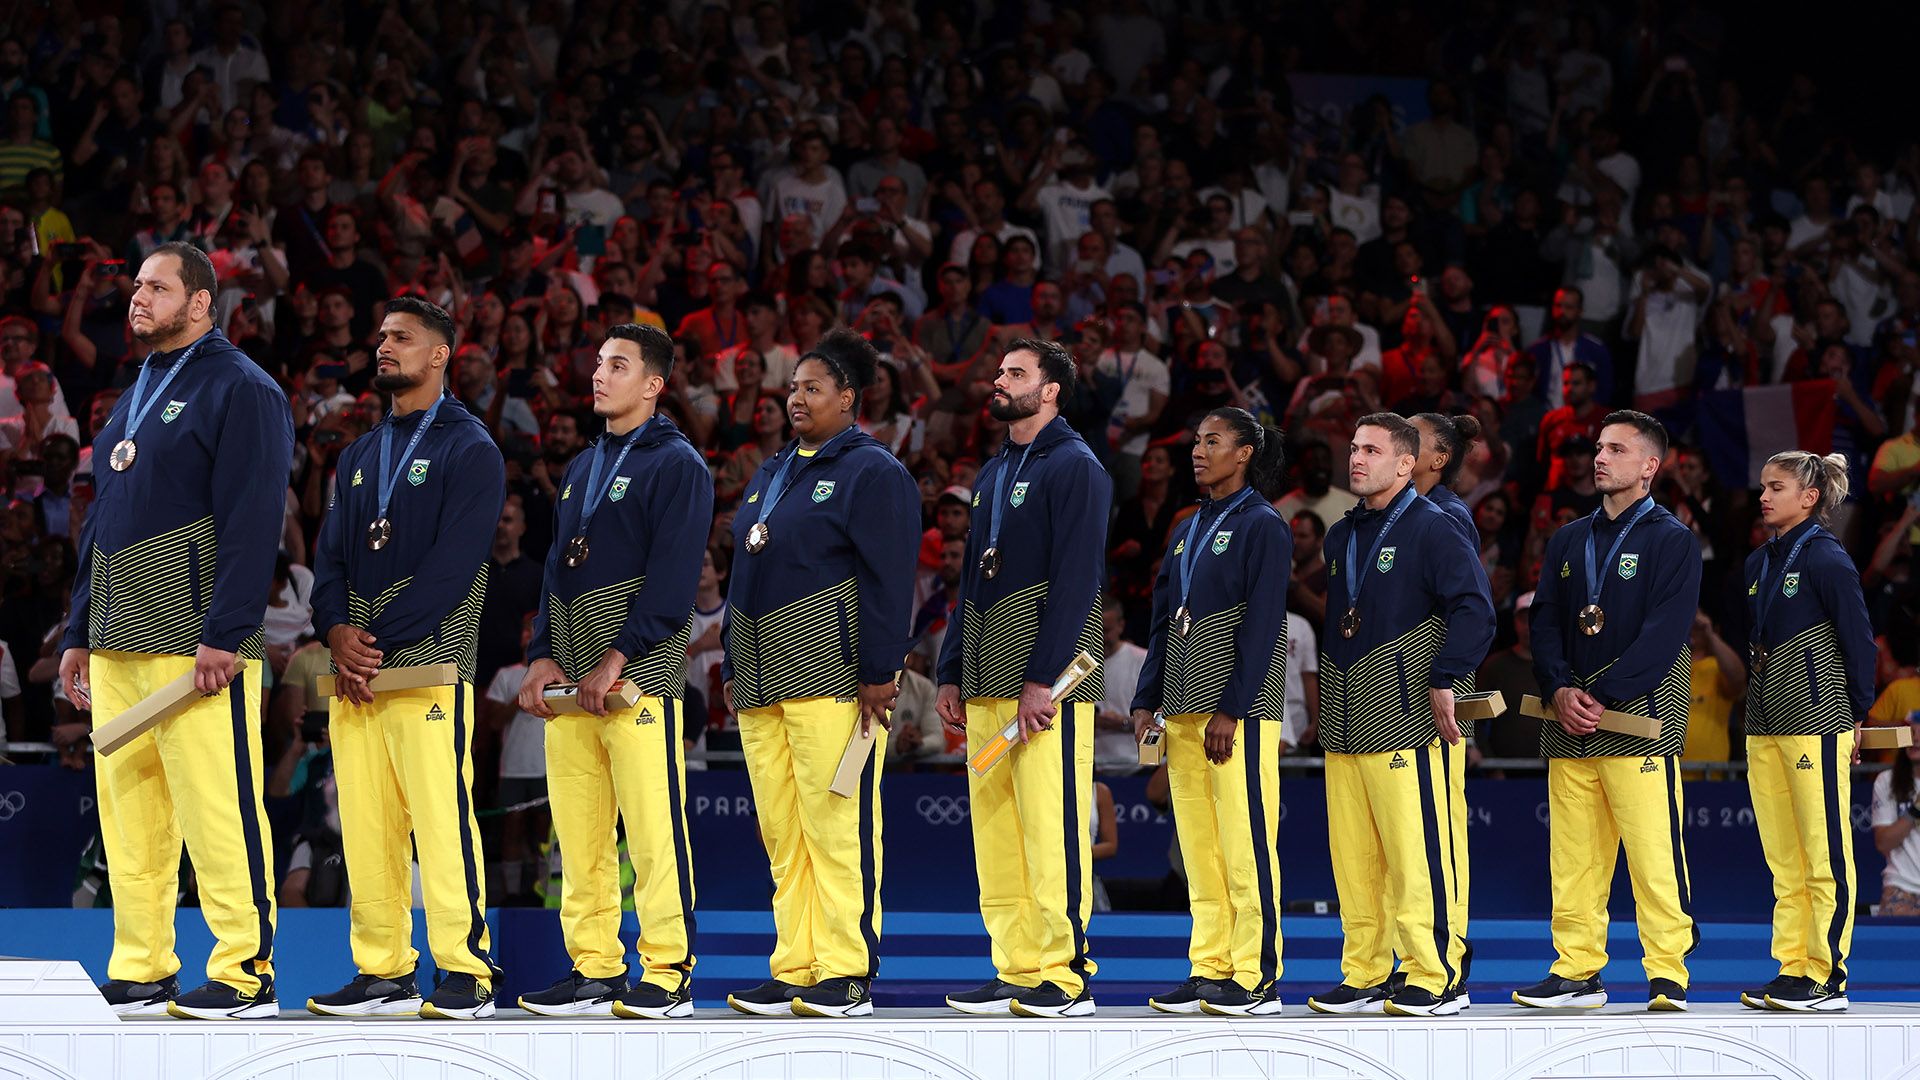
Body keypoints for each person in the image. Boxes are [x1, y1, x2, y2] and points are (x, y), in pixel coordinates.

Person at [59, 242, 294, 1020]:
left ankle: (243, 971)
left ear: (201, 303)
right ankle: (142, 963)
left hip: (197, 640)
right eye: (134, 287)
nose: (137, 297)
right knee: (130, 815)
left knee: (218, 808)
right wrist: (77, 630)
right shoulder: (138, 387)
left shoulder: (242, 387)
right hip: (120, 633)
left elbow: (254, 517)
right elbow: (105, 522)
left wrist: (228, 630)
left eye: (156, 287)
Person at [307, 297, 507, 1020]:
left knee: (439, 816)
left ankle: (466, 969)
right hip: (357, 668)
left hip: (426, 664)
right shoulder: (360, 454)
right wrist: (335, 629)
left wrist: (374, 640)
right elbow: (327, 559)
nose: (383, 346)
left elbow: (454, 567)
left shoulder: (470, 447)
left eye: (401, 337)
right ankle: (382, 970)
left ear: (438, 355)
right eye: (381, 334)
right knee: (365, 824)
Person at [510, 324, 713, 1019]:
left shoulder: (677, 464)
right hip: (570, 683)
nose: (600, 375)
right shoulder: (581, 466)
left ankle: (668, 972)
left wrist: (617, 657)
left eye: (618, 365)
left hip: (637, 682)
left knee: (654, 835)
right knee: (580, 836)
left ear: (654, 385)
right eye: (598, 363)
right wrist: (541, 653)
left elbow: (673, 580)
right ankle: (593, 968)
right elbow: (553, 575)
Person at [720, 329, 920, 1018]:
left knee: (838, 829)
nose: (795, 397)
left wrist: (879, 670)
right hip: (762, 679)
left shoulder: (874, 471)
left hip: (833, 680)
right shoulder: (775, 470)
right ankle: (797, 964)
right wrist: (732, 661)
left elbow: (892, 580)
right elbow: (745, 567)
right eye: (793, 386)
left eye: (811, 388)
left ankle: (845, 970)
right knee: (784, 832)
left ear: (848, 399)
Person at [937, 339, 1113, 1018]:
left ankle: (1063, 976)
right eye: (999, 370)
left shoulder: (1077, 467)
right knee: (998, 830)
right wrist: (952, 668)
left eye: (1016, 373)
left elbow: (1077, 581)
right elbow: (967, 579)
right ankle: (1015, 967)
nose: (998, 380)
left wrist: (1043, 677)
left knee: (1053, 826)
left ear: (1051, 391)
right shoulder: (992, 471)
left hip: (1047, 690)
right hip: (985, 678)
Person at [1305, 413, 1491, 1018]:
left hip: (1407, 719)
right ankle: (1365, 971)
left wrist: (1446, 680)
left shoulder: (1436, 528)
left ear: (1406, 464)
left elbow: (1475, 611)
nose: (1356, 459)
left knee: (1419, 852)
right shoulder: (1341, 535)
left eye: (1372, 451)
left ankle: (1433, 974)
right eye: (1354, 448)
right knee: (1355, 858)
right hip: (1345, 719)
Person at [1517, 410, 1701, 1013]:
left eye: (1617, 450)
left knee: (1653, 856)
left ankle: (1667, 972)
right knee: (1573, 859)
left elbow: (1666, 633)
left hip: (1638, 723)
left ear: (1650, 466)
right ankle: (1576, 970)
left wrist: (1602, 693)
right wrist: (1560, 688)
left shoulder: (1672, 540)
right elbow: (1543, 621)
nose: (1600, 458)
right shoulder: (1569, 538)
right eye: (1599, 448)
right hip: (1569, 724)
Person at [1130, 407, 1292, 1016]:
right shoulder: (1188, 526)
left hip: (1239, 714)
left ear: (1245, 452)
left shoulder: (1264, 525)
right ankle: (1210, 967)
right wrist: (1148, 698)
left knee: (1245, 845)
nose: (1199, 450)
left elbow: (1263, 624)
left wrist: (1235, 707)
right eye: (1196, 441)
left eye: (1213, 441)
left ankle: (1254, 975)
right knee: (1199, 849)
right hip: (1184, 708)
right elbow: (1162, 623)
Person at [1739, 451, 1876, 1012]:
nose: (1764, 496)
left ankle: (1828, 974)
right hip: (1764, 720)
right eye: (1763, 487)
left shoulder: (1827, 559)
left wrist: (1857, 715)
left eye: (1777, 487)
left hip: (1816, 720)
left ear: (1810, 497)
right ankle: (1794, 966)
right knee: (1784, 857)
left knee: (1823, 851)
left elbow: (1859, 640)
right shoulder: (1757, 562)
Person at [1870, 718, 1920, 916]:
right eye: (1911, 732)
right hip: (1901, 887)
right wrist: (1915, 811)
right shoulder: (1887, 781)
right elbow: (1883, 843)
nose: (1915, 739)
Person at [1408, 413, 1481, 538]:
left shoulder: (1450, 515)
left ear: (1439, 460)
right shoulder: (1383, 501)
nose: (1396, 444)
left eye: (1411, 438)